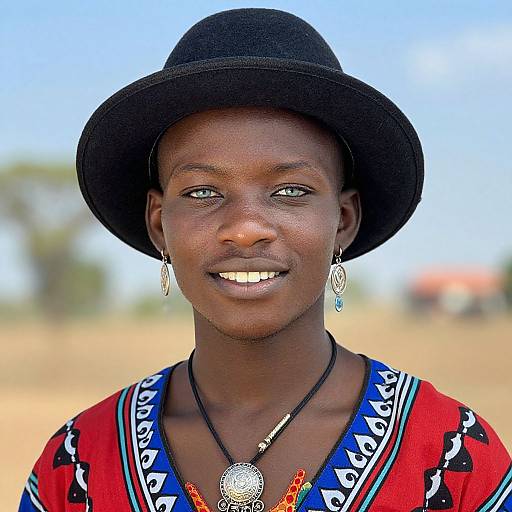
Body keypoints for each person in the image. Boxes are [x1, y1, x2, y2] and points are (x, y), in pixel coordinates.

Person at [19, 8, 511, 512]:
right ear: (159, 222)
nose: (245, 228)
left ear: (342, 219)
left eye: (291, 190)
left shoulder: (452, 459)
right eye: (204, 191)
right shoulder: (76, 466)